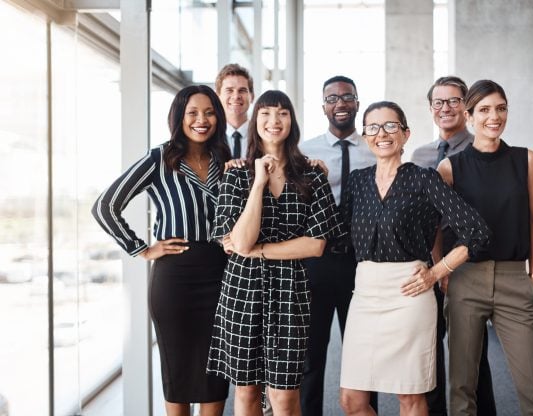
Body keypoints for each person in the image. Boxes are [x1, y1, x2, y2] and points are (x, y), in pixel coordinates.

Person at [338, 101, 490, 416]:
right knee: (351, 401)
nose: (382, 133)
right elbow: (336, 237)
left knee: (409, 399)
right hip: (364, 294)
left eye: (391, 126)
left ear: (406, 134)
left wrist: (437, 272)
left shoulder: (424, 179)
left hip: (410, 293)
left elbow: (476, 231)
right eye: (373, 127)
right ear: (365, 136)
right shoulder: (357, 182)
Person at [92, 85, 231, 416]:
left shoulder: (225, 159)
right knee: (178, 372)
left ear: (218, 117)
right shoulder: (160, 158)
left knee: (216, 372)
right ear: (179, 117)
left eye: (209, 112)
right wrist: (141, 248)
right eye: (192, 113)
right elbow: (106, 206)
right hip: (175, 278)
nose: (201, 120)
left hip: (222, 275)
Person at [206, 90, 345, 416]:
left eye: (282, 113)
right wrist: (258, 183)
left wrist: (260, 251)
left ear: (291, 122)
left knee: (284, 399)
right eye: (266, 114)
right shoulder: (236, 175)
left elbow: (316, 245)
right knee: (247, 394)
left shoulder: (313, 175)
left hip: (290, 294)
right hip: (242, 293)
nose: (274, 121)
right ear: (256, 122)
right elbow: (240, 243)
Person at [438, 79, 533, 415]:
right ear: (469, 117)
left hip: (514, 280)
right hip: (466, 280)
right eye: (485, 110)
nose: (494, 116)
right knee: (462, 388)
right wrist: (443, 272)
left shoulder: (525, 159)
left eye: (501, 108)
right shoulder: (450, 168)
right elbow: (438, 229)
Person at [410, 76, 496, 416]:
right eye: (438, 102)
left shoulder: (482, 149)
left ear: (466, 106)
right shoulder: (419, 155)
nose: (446, 108)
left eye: (454, 101)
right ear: (431, 109)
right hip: (427, 265)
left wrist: (451, 264)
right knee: (428, 355)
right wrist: (432, 264)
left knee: (472, 358)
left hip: (469, 263)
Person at [299, 75, 378, 415]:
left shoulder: (374, 148)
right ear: (323, 107)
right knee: (311, 356)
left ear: (357, 103)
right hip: (316, 262)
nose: (340, 103)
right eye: (332, 98)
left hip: (361, 264)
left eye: (347, 97)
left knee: (363, 356)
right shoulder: (304, 152)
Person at [215, 63, 255, 159]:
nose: (236, 96)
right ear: (217, 97)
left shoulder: (263, 136)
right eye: (229, 90)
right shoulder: (209, 136)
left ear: (252, 97)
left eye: (242, 90)